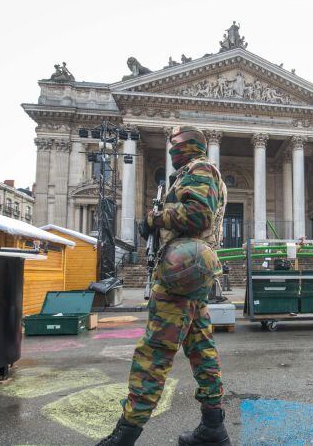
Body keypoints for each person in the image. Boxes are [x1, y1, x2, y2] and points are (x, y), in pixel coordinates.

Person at [98, 126, 229, 446]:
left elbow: (198, 216)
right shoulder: (199, 171)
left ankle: (125, 434)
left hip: (182, 268)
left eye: (176, 145)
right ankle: (213, 426)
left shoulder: (199, 168)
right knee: (201, 348)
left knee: (155, 349)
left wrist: (156, 217)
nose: (172, 150)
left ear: (190, 146)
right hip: (192, 267)